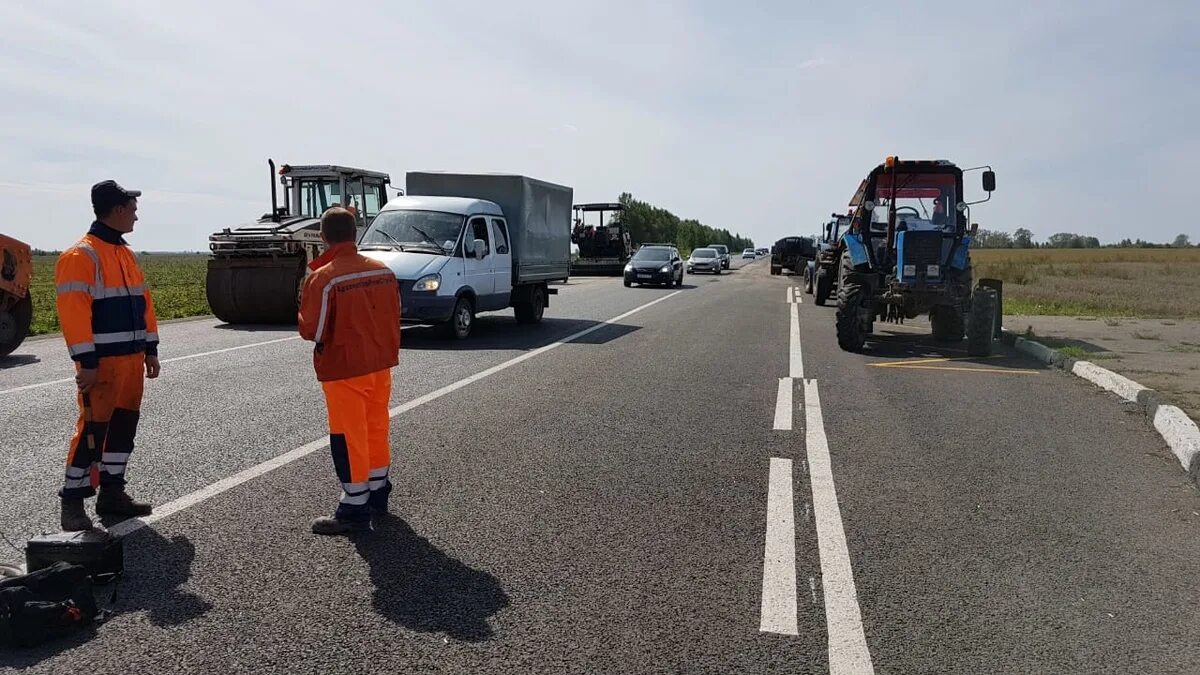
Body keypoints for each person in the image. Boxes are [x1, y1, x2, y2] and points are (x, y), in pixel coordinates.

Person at [54, 180, 160, 531]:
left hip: (130, 361)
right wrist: (87, 363)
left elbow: (144, 305)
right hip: (102, 364)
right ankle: (72, 501)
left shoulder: (125, 253)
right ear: (116, 211)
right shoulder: (80, 256)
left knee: (122, 430)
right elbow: (74, 314)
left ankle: (112, 493)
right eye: (132, 209)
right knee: (92, 431)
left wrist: (150, 350)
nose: (136, 216)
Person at [299, 207, 402, 535]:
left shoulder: (324, 278)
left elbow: (312, 331)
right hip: (379, 365)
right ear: (354, 234)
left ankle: (354, 507)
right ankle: (377, 491)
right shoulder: (383, 272)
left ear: (324, 237)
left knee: (348, 435)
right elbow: (394, 316)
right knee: (375, 428)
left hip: (344, 369)